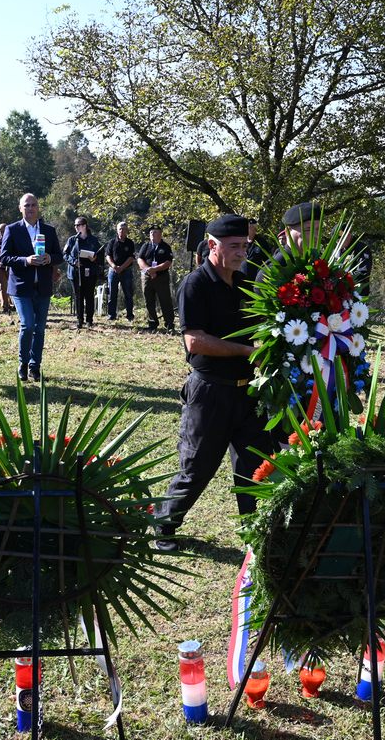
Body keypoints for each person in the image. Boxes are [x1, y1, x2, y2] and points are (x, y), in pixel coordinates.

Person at [155, 214, 273, 551]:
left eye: (245, 246)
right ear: (212, 246)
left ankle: (255, 534)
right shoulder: (195, 284)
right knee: (197, 466)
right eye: (234, 247)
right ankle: (163, 525)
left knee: (255, 465)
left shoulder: (248, 282)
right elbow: (194, 341)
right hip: (209, 391)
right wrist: (247, 351)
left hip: (248, 391)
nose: (241, 252)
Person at [0, 193, 63, 383]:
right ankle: (23, 364)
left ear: (38, 207)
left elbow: (59, 255)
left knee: (40, 328)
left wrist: (50, 258)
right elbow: (4, 257)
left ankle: (35, 367)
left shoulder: (49, 230)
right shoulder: (12, 230)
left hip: (42, 287)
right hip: (20, 287)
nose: (30, 208)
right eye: (26, 205)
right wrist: (25, 261)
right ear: (20, 208)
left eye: (34, 204)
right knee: (27, 325)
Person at [64, 215, 102, 328]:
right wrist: (74, 261)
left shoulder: (94, 240)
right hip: (76, 272)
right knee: (78, 296)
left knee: (89, 295)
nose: (76, 227)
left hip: (90, 272)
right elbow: (65, 254)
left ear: (84, 226)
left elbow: (100, 254)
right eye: (75, 225)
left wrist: (95, 258)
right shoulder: (72, 239)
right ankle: (79, 320)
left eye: (78, 225)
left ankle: (89, 320)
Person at [137, 225, 175, 332]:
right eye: (151, 233)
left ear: (160, 234)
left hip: (161, 277)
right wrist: (149, 270)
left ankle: (169, 324)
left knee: (165, 300)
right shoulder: (146, 246)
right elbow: (140, 259)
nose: (152, 235)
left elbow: (168, 262)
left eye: (155, 232)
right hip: (147, 277)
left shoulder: (165, 247)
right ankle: (152, 324)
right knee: (149, 301)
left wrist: (156, 269)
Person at [104, 220, 137, 321]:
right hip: (113, 271)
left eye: (124, 229)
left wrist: (122, 267)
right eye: (120, 229)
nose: (122, 231)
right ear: (117, 230)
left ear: (127, 231)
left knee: (128, 294)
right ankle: (111, 315)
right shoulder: (112, 242)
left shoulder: (130, 243)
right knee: (112, 294)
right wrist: (114, 266)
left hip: (126, 271)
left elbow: (131, 257)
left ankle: (130, 316)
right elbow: (108, 256)